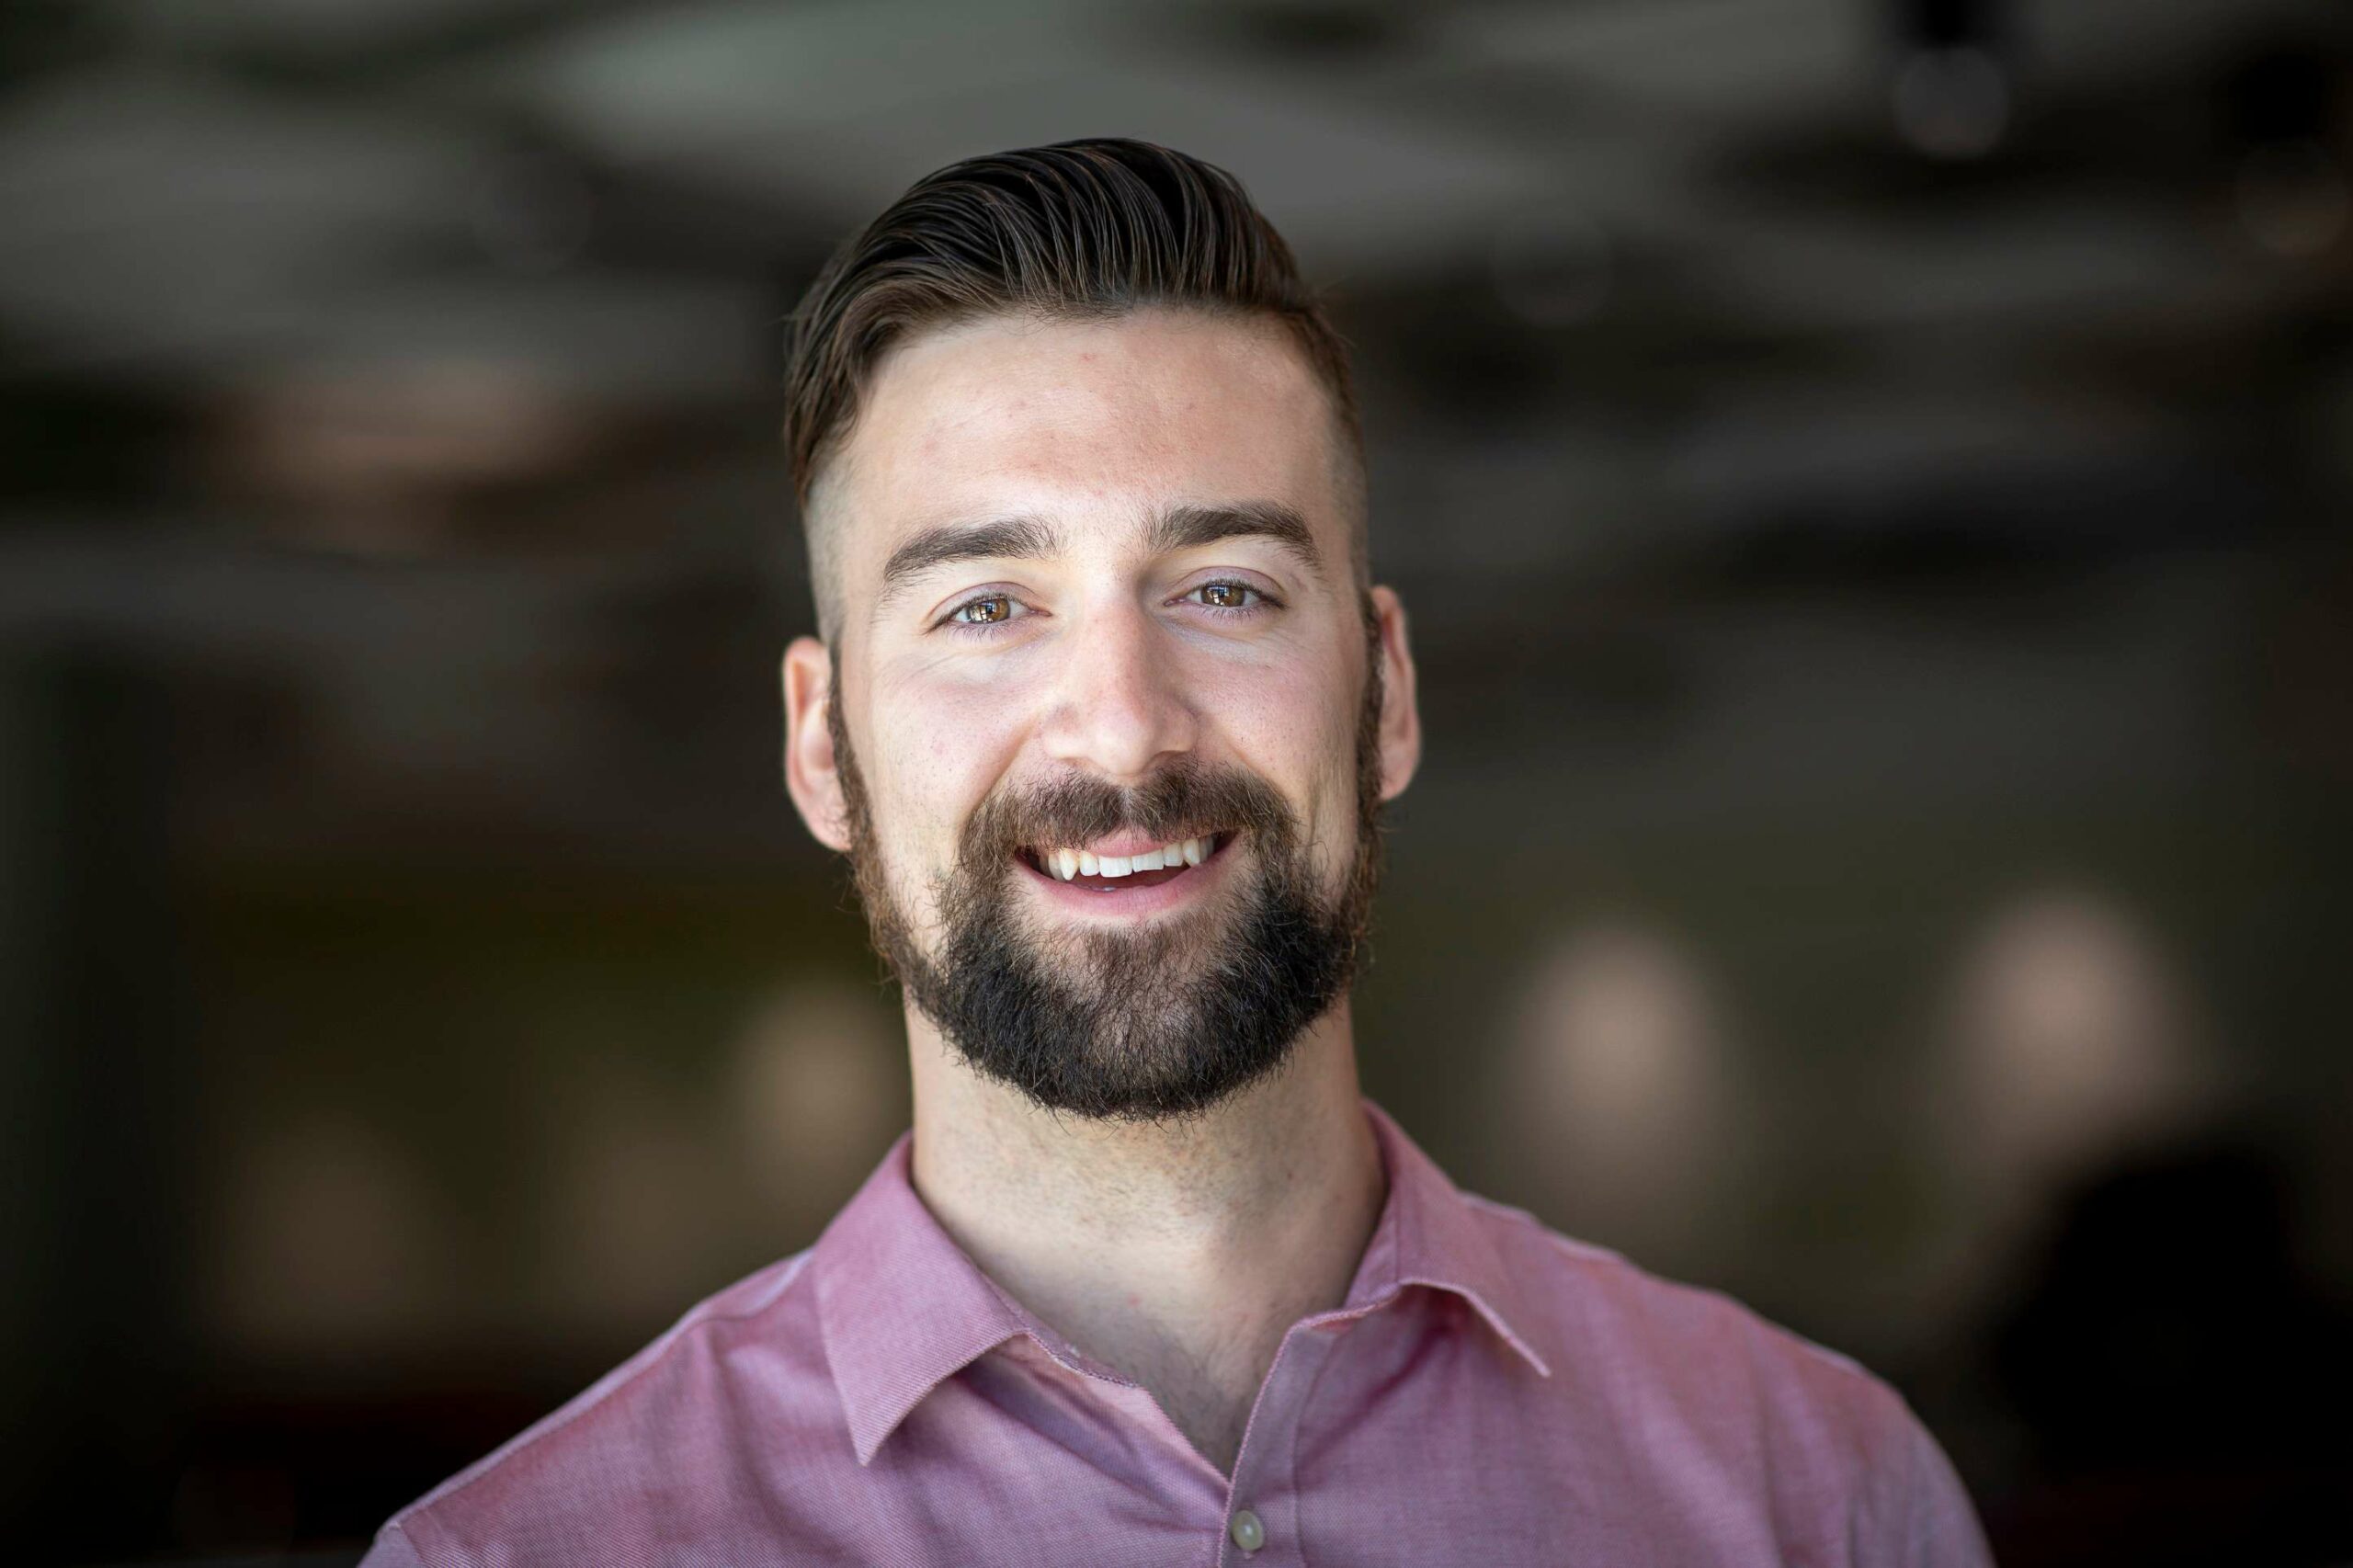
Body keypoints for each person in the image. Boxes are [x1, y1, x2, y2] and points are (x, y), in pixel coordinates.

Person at [362, 139, 1991, 1567]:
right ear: (819, 745)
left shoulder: (1819, 1491)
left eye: (1223, 588)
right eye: (985, 608)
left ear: (1387, 691)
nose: (1125, 732)